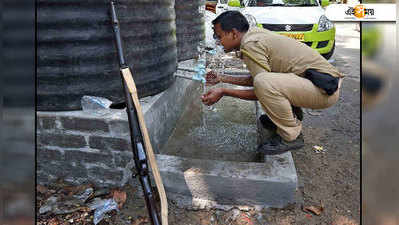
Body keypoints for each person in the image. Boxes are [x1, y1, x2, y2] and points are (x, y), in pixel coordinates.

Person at [201, 10, 344, 155]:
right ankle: (289, 117)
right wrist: (222, 78)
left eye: (219, 36)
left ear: (233, 33)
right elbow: (257, 78)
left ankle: (291, 136)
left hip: (324, 89)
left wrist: (224, 91)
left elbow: (260, 88)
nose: (217, 42)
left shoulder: (250, 45)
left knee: (264, 83)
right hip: (320, 82)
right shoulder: (253, 35)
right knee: (265, 80)